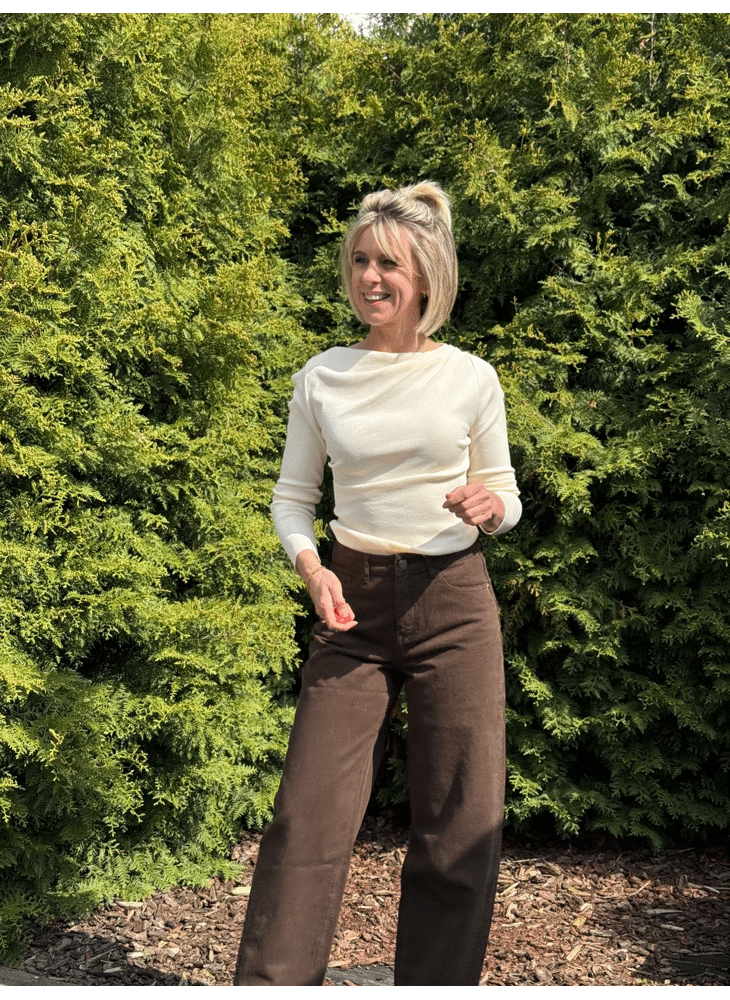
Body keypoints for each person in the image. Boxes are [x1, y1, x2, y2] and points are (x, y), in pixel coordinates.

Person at [234, 180, 522, 986]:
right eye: (360, 260)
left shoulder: (471, 378)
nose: (370, 277)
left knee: (460, 827)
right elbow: (292, 498)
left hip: (454, 604)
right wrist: (312, 568)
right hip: (350, 606)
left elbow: (505, 494)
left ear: (425, 274)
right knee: (305, 822)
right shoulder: (323, 376)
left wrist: (490, 507)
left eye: (388, 263)